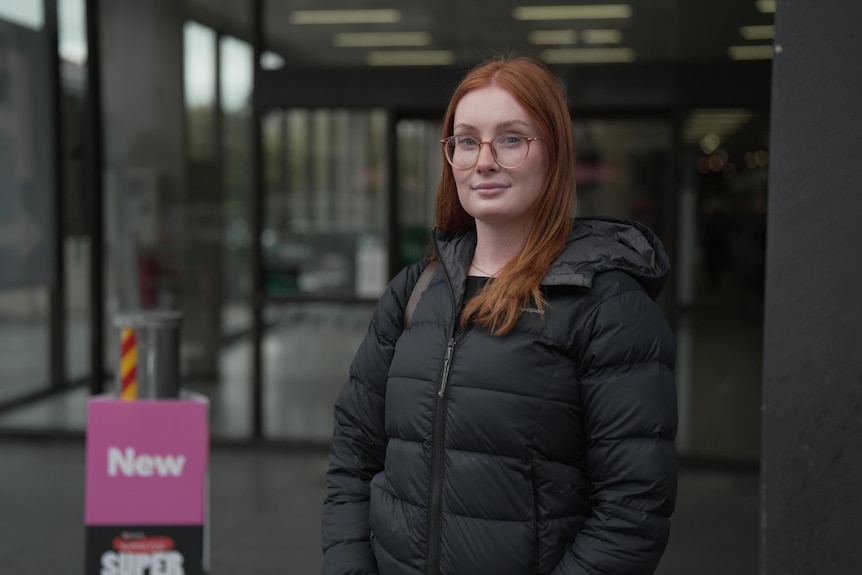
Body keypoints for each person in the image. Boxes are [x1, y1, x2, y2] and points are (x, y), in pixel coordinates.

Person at [321, 55, 677, 575]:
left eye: (511, 138)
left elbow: (632, 512)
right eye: (466, 141)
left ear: (554, 155)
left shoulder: (608, 307)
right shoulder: (415, 292)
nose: (483, 160)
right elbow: (353, 458)